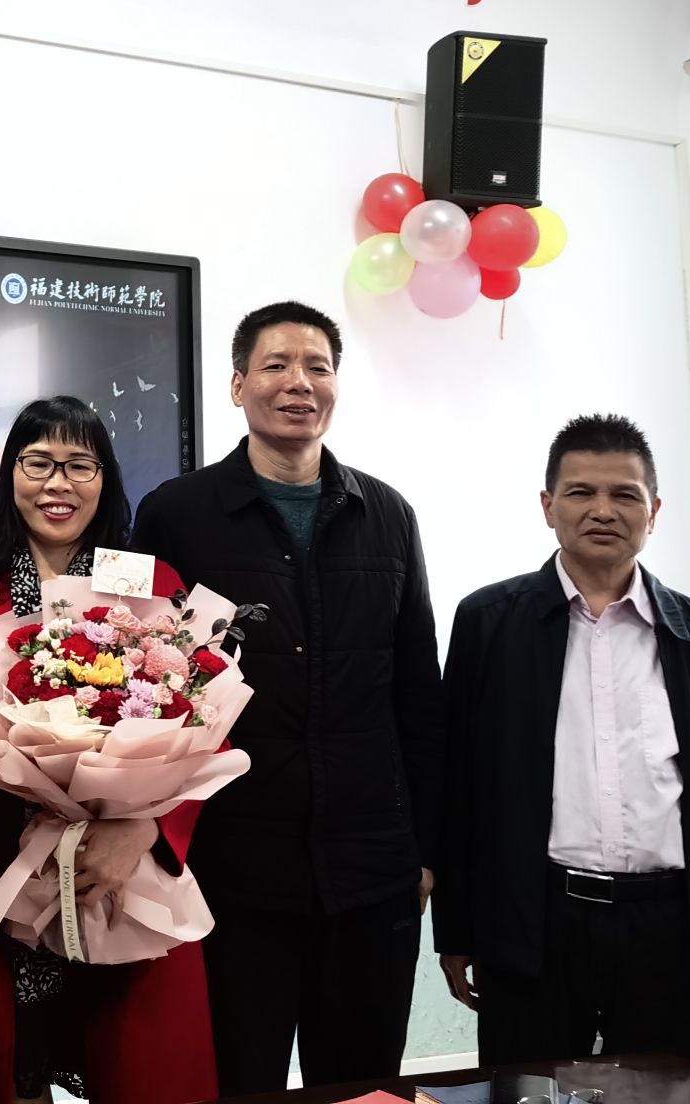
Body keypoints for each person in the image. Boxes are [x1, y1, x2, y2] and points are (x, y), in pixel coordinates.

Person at [130, 301, 442, 1093]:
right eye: (276, 365)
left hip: (370, 875)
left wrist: (427, 849)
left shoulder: (388, 516)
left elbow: (418, 693)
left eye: (317, 367)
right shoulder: (174, 514)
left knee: (365, 1087)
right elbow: (133, 685)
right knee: (241, 1082)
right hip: (230, 874)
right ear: (238, 386)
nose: (298, 382)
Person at [434, 414, 690, 1064]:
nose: (603, 510)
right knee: (528, 1093)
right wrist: (455, 930)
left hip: (668, 929)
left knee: (665, 1095)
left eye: (625, 494)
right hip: (535, 920)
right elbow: (457, 788)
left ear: (654, 511)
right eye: (581, 492)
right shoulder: (488, 622)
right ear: (548, 507)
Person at [0, 395, 218, 1104]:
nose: (59, 483)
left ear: (105, 478)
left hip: (123, 872)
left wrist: (146, 827)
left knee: (135, 1068)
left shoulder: (147, 582)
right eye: (39, 462)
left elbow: (206, 728)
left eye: (81, 465)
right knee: (9, 1067)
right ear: (9, 473)